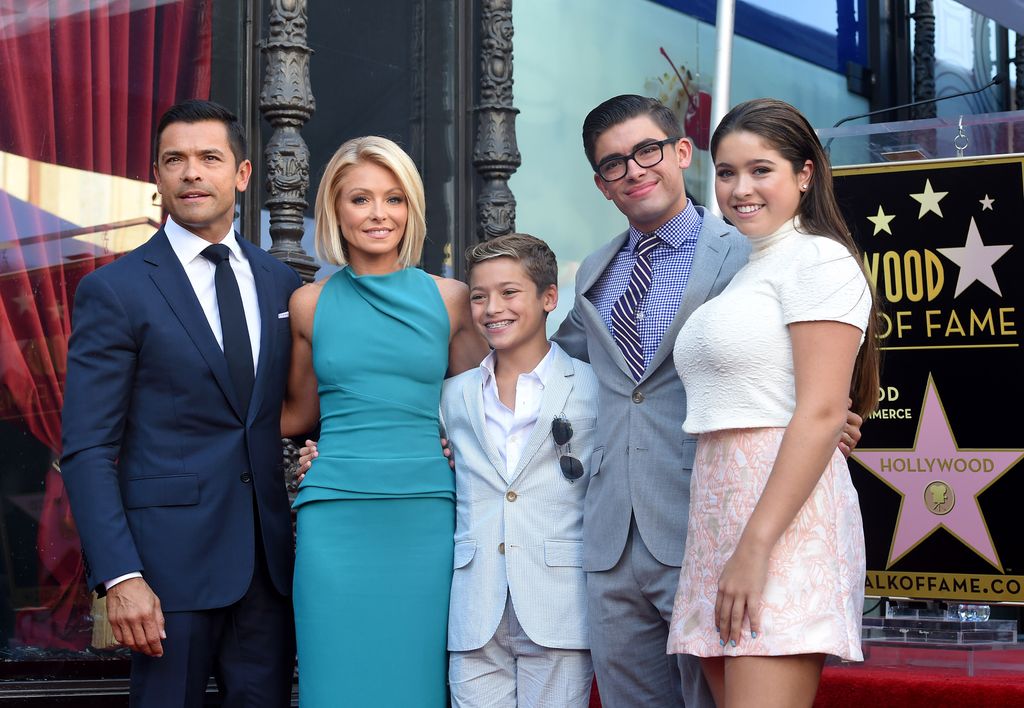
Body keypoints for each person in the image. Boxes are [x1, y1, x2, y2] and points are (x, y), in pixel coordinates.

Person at [549, 94, 864, 708]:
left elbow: (818, 389)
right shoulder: (593, 273)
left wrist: (825, 417)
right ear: (600, 183)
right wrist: (451, 410)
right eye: (615, 163)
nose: (634, 169)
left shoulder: (751, 245)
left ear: (680, 153)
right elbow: (555, 366)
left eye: (647, 151)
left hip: (728, 511)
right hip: (632, 529)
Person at [60, 99, 300, 706]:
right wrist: (121, 575)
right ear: (158, 177)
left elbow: (284, 414)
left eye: (209, 158)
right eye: (175, 160)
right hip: (165, 577)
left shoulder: (282, 283)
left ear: (242, 174)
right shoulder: (114, 291)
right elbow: (88, 450)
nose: (192, 172)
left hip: (268, 575)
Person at [666, 97, 880, 707]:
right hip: (718, 512)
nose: (740, 188)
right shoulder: (746, 269)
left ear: (805, 173)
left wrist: (756, 545)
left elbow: (819, 411)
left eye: (761, 169)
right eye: (727, 172)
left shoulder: (818, 258)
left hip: (778, 522)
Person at [280, 135, 487, 707]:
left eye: (394, 199)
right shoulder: (310, 304)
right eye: (360, 199)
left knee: (414, 682)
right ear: (335, 210)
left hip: (424, 513)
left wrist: (454, 440)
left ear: (411, 210)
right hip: (334, 514)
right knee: (336, 682)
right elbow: (297, 415)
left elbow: (483, 407)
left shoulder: (451, 299)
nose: (378, 214)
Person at [442, 233, 599, 707]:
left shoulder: (593, 387)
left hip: (559, 607)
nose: (493, 308)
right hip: (474, 610)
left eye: (509, 292)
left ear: (550, 297)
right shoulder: (453, 395)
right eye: (479, 296)